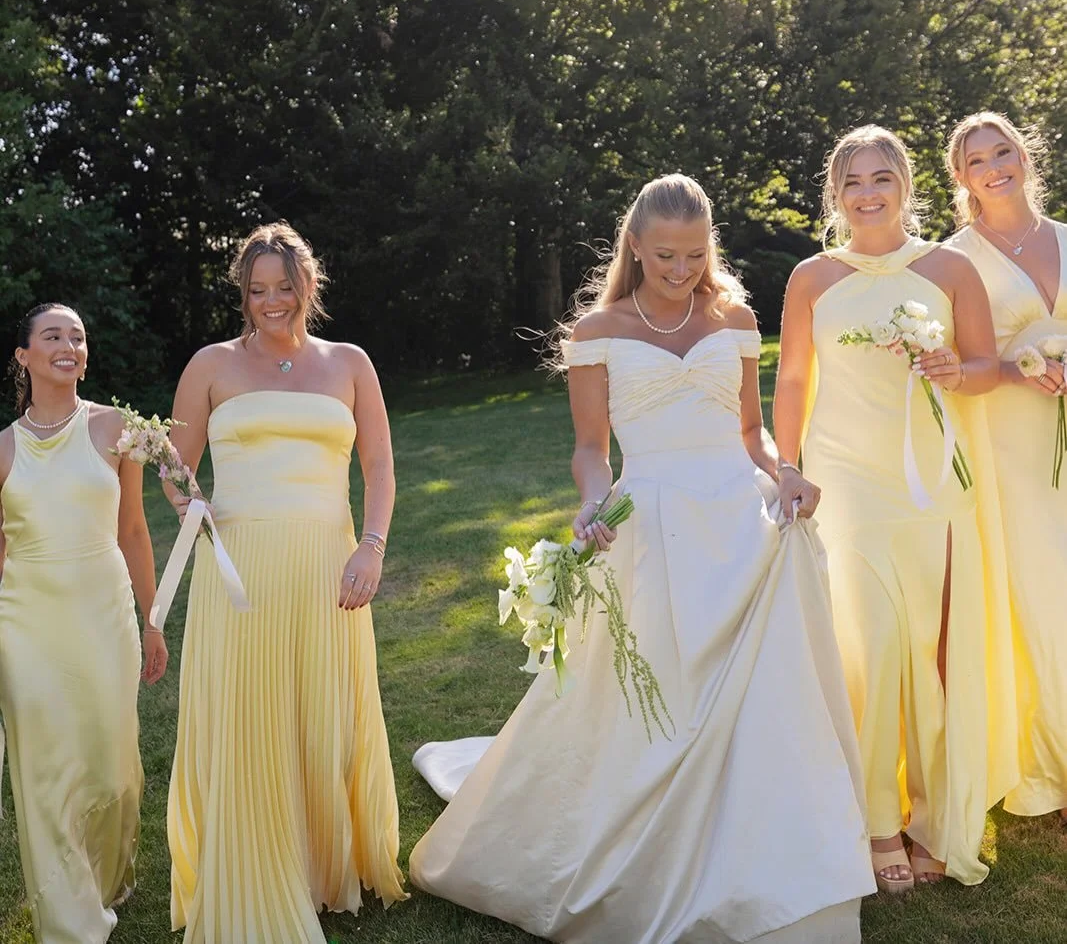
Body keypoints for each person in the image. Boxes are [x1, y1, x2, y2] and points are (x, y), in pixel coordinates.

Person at [409, 174, 874, 944]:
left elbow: (750, 433)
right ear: (634, 245)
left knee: (760, 694)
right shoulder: (598, 330)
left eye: (693, 254)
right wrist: (594, 500)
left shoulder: (735, 319)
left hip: (739, 520)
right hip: (652, 521)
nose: (680, 269)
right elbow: (591, 448)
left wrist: (784, 472)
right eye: (664, 255)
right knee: (659, 691)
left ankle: (759, 848)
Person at [774, 125, 1017, 890]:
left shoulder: (948, 268)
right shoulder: (811, 277)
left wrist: (955, 369)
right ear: (835, 194)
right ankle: (877, 817)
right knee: (872, 646)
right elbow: (791, 379)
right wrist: (787, 466)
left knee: (932, 649)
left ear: (905, 184)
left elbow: (985, 367)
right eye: (851, 182)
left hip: (931, 484)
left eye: (880, 177)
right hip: (845, 481)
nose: (867, 193)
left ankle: (935, 818)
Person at [164, 222, 406, 943]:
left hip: (329, 565)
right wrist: (191, 506)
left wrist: (371, 547)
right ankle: (251, 869)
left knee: (321, 713)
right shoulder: (210, 364)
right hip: (240, 567)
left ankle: (321, 866)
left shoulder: (350, 363)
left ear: (309, 284)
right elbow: (175, 466)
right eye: (257, 290)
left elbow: (380, 468)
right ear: (243, 294)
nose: (272, 301)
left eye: (285, 286)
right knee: (249, 712)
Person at [0, 302, 166, 943]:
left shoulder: (117, 429)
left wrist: (152, 619)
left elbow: (134, 530)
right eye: (53, 336)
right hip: (24, 624)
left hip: (104, 617)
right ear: (24, 355)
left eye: (78, 337)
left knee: (108, 762)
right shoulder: (2, 449)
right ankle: (68, 922)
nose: (68, 345)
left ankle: (105, 874)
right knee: (44, 769)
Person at [946, 111, 1067, 819]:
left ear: (1024, 155)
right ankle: (1049, 760)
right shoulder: (954, 260)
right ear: (961, 178)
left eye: (1002, 153)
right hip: (1007, 442)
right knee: (1039, 589)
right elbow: (956, 362)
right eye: (976, 161)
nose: (993, 169)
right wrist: (1020, 365)